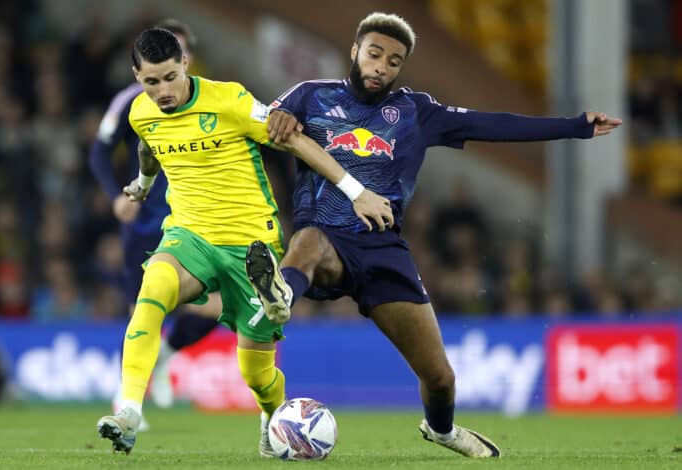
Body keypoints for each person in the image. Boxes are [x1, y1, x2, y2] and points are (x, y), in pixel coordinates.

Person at [246, 12, 622, 459]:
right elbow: (264, 118)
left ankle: (441, 430)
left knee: (440, 378)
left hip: (384, 251)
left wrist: (574, 126)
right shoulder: (310, 96)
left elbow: (493, 125)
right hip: (325, 236)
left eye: (393, 60)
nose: (382, 66)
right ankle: (281, 296)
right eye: (374, 54)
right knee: (307, 243)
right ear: (355, 51)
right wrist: (281, 116)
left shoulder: (416, 112)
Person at [95, 27, 392, 455]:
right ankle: (128, 412)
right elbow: (149, 145)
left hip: (251, 244)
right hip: (190, 235)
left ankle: (272, 417)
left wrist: (356, 191)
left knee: (256, 372)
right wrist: (142, 184)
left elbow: (295, 141)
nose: (162, 91)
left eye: (169, 77)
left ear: (185, 65)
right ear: (136, 76)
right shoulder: (141, 112)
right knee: (151, 291)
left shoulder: (229, 100)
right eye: (150, 82)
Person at [88, 19, 222, 420]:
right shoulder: (132, 101)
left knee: (220, 307)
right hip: (147, 224)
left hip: (198, 224)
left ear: (187, 60)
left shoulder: (214, 102)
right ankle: (127, 400)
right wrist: (116, 198)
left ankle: (164, 355)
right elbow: (99, 151)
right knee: (141, 312)